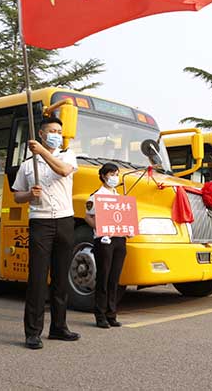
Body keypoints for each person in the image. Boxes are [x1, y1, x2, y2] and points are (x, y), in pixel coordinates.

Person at [12, 116, 80, 350]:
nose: (56, 135)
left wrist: (42, 152)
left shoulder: (67, 156)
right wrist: (29, 195)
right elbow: (17, 195)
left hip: (64, 220)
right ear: (41, 134)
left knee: (61, 277)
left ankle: (59, 327)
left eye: (59, 132)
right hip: (40, 222)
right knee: (38, 279)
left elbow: (63, 171)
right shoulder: (26, 165)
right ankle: (33, 332)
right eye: (52, 131)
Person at [85, 163, 127, 328]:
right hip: (104, 240)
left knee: (114, 278)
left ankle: (111, 314)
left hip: (120, 239)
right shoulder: (96, 196)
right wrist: (99, 227)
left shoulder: (120, 197)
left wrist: (129, 229)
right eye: (111, 174)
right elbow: (88, 217)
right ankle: (100, 315)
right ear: (103, 176)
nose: (115, 177)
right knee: (103, 277)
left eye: (117, 174)